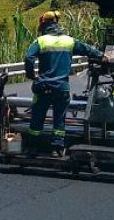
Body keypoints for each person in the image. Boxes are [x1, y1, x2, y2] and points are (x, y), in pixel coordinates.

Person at [24, 11, 103, 157]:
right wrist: (104, 56)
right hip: (62, 88)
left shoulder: (41, 41)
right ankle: (57, 148)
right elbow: (88, 50)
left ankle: (32, 148)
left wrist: (31, 75)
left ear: (43, 24)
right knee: (59, 119)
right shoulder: (69, 41)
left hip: (44, 87)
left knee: (37, 117)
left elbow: (29, 57)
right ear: (57, 24)